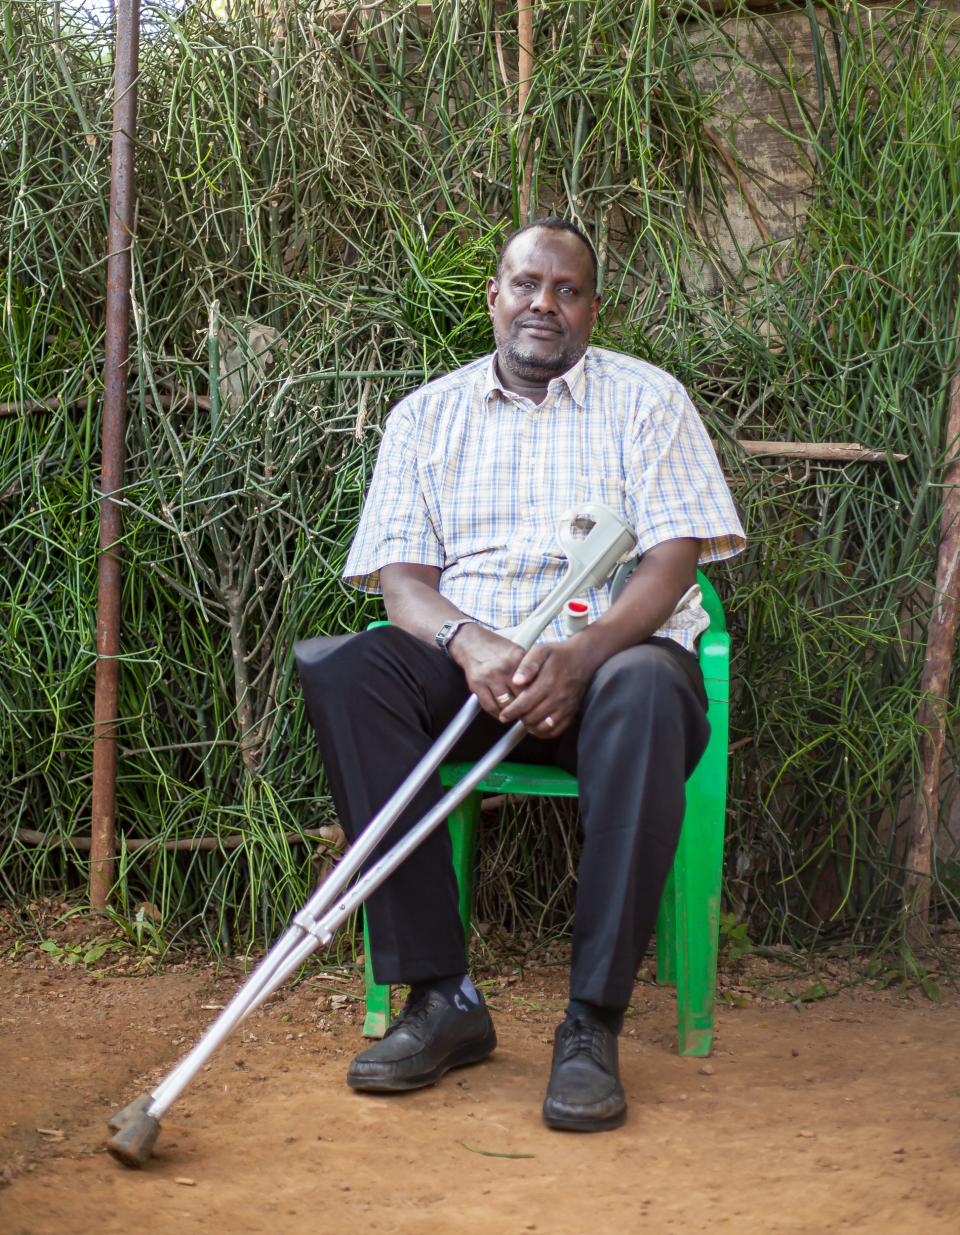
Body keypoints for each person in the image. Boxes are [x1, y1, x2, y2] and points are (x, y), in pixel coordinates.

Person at [295, 217, 744, 1132]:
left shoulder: (650, 401)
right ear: (495, 296)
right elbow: (401, 581)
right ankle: (441, 997)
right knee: (346, 668)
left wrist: (584, 656)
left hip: (608, 674)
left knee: (651, 685)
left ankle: (591, 1021)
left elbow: (672, 561)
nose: (545, 302)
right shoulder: (426, 416)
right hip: (471, 668)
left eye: (568, 289)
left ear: (592, 308)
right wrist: (469, 643)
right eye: (528, 284)